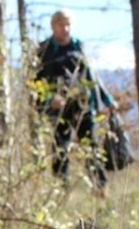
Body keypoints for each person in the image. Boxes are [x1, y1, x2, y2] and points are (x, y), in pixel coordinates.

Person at [35, 10, 116, 191]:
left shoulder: (79, 47)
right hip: (58, 109)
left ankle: (100, 190)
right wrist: (49, 100)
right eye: (61, 24)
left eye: (68, 24)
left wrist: (106, 100)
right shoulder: (44, 51)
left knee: (91, 149)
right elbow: (35, 83)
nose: (65, 29)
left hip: (82, 105)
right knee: (60, 150)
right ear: (53, 26)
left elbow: (92, 77)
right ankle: (61, 192)